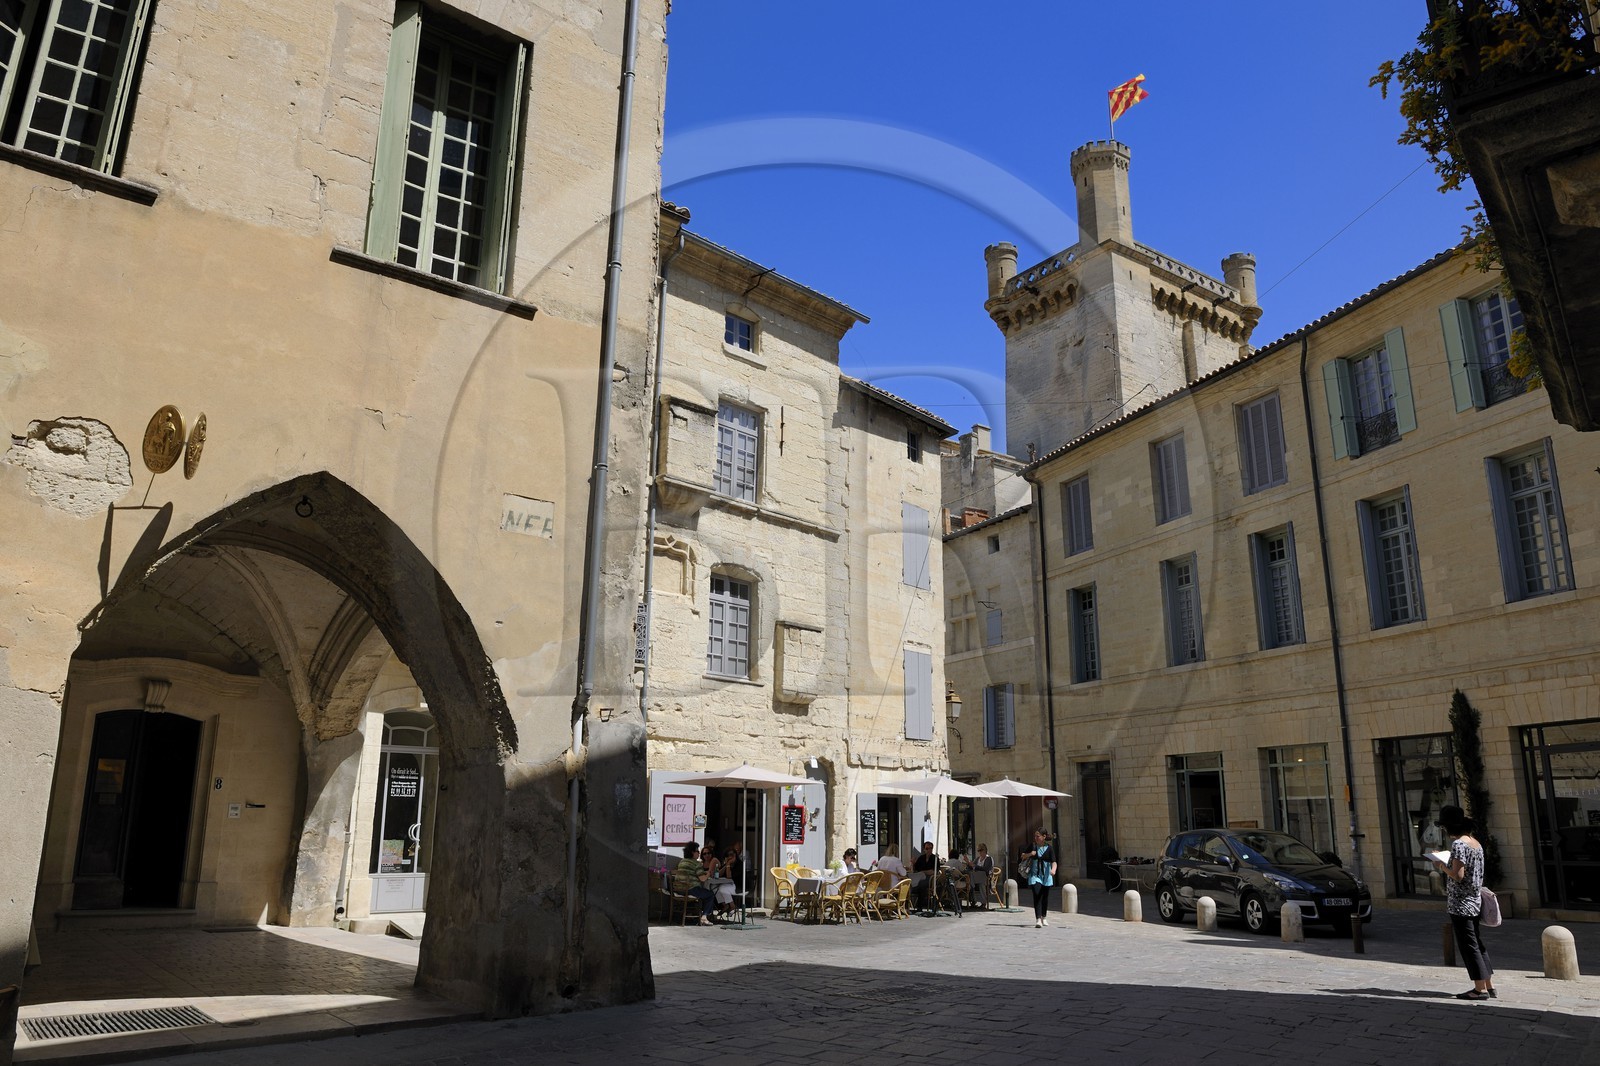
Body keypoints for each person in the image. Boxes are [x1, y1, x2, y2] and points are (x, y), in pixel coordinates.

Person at [1432, 805, 1495, 999]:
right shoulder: (1475, 843)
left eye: (1444, 827)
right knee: (1476, 943)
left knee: (1469, 946)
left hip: (1461, 903)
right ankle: (1489, 985)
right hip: (1475, 900)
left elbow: (1458, 875)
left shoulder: (1459, 845)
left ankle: (1479, 989)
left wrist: (1441, 865)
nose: (1444, 830)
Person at [673, 841, 721, 926]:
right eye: (697, 851)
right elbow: (702, 879)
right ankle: (704, 917)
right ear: (692, 852)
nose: (699, 853)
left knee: (703, 893)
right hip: (690, 889)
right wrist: (708, 873)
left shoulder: (682, 862)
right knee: (710, 894)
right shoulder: (696, 864)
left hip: (678, 890)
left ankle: (694, 914)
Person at [1020, 828, 1058, 928]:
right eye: (1035, 836)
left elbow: (1054, 861)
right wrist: (1030, 854)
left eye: (1038, 836)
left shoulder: (1049, 848)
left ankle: (1044, 917)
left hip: (1046, 876)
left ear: (1044, 837)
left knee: (1045, 897)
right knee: (1037, 895)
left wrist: (1053, 870)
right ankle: (1038, 919)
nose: (1036, 838)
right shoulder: (1032, 846)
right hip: (1034, 875)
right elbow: (1022, 856)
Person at [911, 840, 938, 911]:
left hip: (930, 879)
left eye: (931, 848)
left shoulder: (935, 858)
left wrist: (923, 872)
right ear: (924, 849)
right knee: (910, 883)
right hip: (920, 877)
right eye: (927, 848)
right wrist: (913, 864)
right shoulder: (921, 858)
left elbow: (933, 871)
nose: (929, 850)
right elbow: (916, 870)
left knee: (921, 884)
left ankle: (919, 907)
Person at [970, 844, 995, 910]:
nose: (980, 852)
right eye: (978, 850)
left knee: (981, 882)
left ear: (985, 850)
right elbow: (972, 866)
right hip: (977, 877)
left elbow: (986, 869)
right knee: (969, 879)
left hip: (986, 878)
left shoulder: (989, 859)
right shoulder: (977, 859)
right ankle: (973, 900)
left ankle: (983, 902)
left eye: (981, 850)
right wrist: (969, 864)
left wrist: (975, 866)